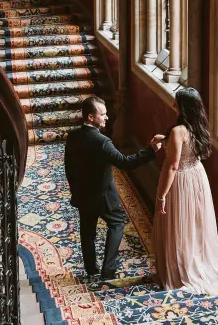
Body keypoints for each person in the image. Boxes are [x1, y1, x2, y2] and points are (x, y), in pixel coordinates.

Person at [64, 96, 163, 282]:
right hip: (103, 196)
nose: (107, 117)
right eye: (103, 114)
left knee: (87, 232)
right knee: (117, 224)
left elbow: (68, 167)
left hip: (83, 194)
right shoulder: (102, 142)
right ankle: (107, 272)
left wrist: (75, 189)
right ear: (91, 117)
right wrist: (151, 150)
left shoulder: (73, 136)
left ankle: (91, 270)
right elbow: (126, 163)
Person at [152, 88, 218, 295]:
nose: (173, 103)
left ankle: (181, 271)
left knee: (179, 223)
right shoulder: (198, 126)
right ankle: (197, 262)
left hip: (181, 180)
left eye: (177, 101)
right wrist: (165, 140)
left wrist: (162, 195)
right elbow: (186, 146)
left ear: (182, 106)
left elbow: (173, 165)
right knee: (195, 224)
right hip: (197, 177)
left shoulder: (177, 131)